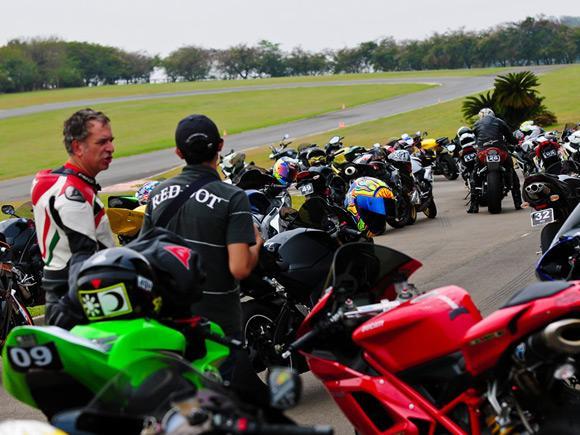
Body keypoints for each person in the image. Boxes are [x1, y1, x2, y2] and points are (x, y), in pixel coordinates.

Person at [140, 114, 264, 388]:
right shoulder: (233, 197)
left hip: (169, 322)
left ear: (178, 152)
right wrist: (257, 244)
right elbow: (240, 268)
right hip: (218, 325)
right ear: (220, 145)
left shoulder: (158, 194)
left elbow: (146, 252)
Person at [31, 108, 116, 327]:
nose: (111, 148)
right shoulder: (72, 195)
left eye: (111, 141)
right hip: (78, 302)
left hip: (65, 295)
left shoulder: (55, 181)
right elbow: (85, 262)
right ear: (78, 147)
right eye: (102, 142)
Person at [469, 108, 522, 213]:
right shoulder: (499, 121)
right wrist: (514, 142)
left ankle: (474, 206)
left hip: (483, 152)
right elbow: (509, 136)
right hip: (500, 150)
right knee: (511, 171)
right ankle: (518, 202)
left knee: (475, 174)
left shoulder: (476, 124)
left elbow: (474, 139)